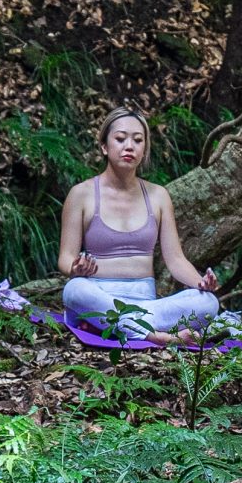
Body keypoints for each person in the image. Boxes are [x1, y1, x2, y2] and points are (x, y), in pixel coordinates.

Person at [57, 108, 220, 343]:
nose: (129, 146)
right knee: (74, 290)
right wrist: (75, 269)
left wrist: (200, 283)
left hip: (147, 306)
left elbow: (175, 259)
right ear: (104, 147)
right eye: (120, 139)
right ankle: (157, 336)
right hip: (99, 297)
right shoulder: (81, 194)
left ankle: (117, 326)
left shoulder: (158, 196)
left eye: (137, 140)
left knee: (208, 303)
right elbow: (65, 258)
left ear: (144, 150)